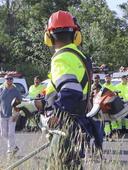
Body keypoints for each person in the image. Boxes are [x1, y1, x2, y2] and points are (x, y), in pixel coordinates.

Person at [43, 10, 102, 169]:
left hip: (65, 127)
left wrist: (55, 115)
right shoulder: (79, 57)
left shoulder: (60, 58)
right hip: (78, 125)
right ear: (76, 35)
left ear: (48, 36)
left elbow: (70, 90)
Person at [0, 74, 22, 154]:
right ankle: (14, 146)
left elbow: (20, 101)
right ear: (5, 80)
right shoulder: (1, 89)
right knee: (3, 134)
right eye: (7, 79)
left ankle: (10, 149)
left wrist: (17, 113)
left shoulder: (16, 90)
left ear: (12, 80)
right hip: (2, 114)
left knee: (11, 133)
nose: (9, 80)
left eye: (10, 79)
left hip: (12, 114)